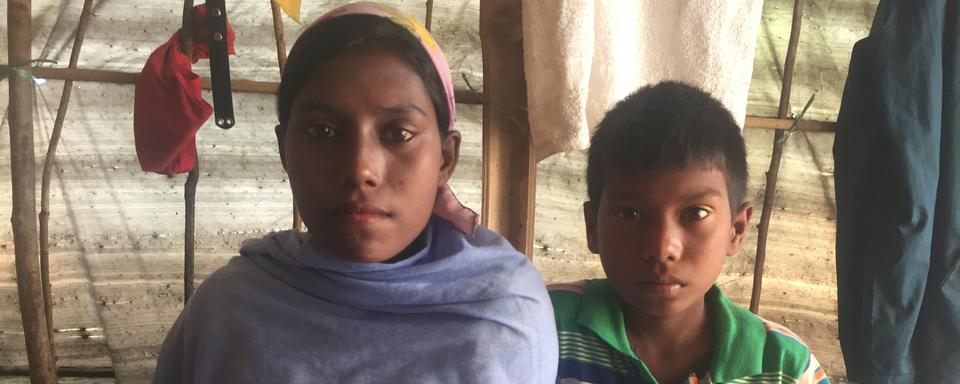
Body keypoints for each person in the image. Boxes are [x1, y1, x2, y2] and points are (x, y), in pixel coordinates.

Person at [153, 3, 558, 383]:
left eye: (398, 133)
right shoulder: (231, 308)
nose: (360, 169)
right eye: (322, 132)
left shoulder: (504, 310)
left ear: (445, 159)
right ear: (284, 151)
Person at [551, 81, 829, 384]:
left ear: (736, 230)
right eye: (629, 213)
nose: (662, 247)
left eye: (695, 213)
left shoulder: (784, 367)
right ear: (593, 226)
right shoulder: (544, 325)